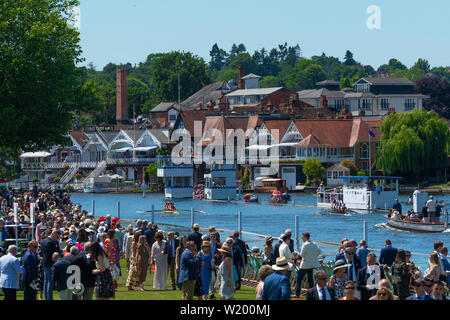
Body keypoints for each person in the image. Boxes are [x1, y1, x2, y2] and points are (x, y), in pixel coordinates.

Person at [295, 232, 321, 298]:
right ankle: (313, 294)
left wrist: (297, 253)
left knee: (299, 279)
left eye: (302, 237)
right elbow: (319, 251)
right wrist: (313, 256)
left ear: (305, 237)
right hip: (311, 264)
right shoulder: (314, 244)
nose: (301, 238)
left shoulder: (305, 244)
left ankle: (297, 294)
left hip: (305, 264)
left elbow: (302, 254)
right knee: (310, 280)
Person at [40, 229, 60, 300]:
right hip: (50, 264)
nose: (57, 238)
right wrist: (54, 264)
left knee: (46, 280)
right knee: (49, 281)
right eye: (57, 237)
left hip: (46, 263)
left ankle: (46, 297)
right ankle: (49, 298)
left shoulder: (44, 241)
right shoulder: (49, 242)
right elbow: (49, 255)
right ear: (54, 234)